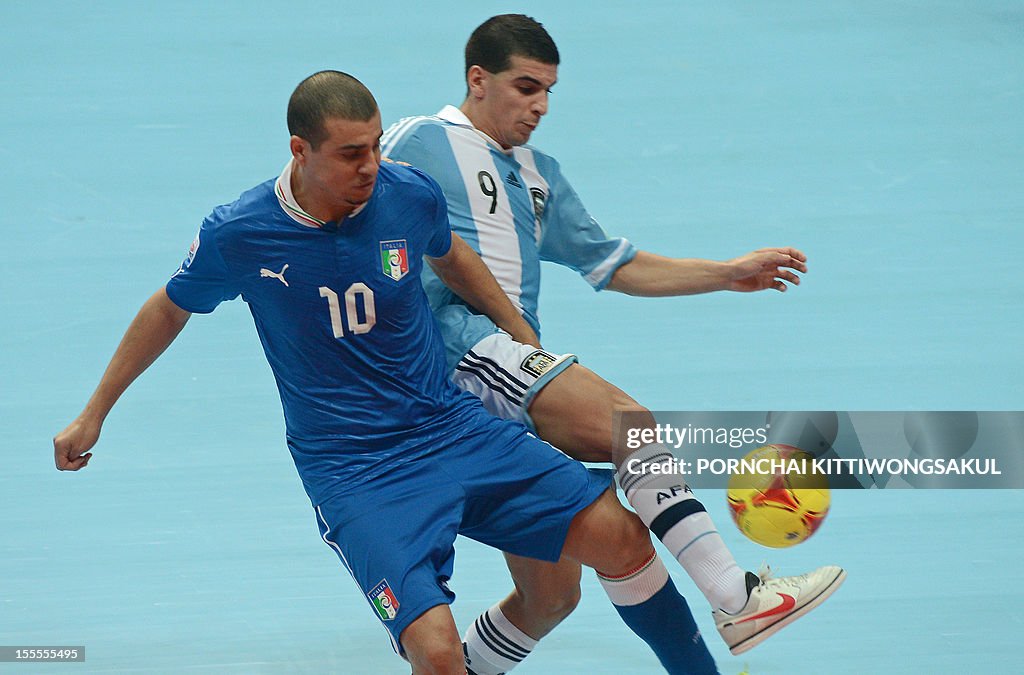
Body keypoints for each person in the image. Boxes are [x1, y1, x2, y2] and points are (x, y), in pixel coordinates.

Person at [53, 70, 733, 674]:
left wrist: (517, 328)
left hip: (448, 426)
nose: (370, 164)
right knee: (436, 653)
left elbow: (451, 254)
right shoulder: (242, 232)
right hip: (356, 472)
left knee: (618, 535)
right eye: (351, 153)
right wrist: (94, 412)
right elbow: (169, 309)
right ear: (300, 151)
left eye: (375, 145)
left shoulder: (405, 192)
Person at [381, 14, 846, 672]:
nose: (540, 104)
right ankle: (737, 598)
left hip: (513, 372)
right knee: (631, 427)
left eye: (549, 90)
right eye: (525, 86)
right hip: (460, 353)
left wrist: (726, 273)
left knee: (555, 592)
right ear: (477, 81)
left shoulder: (540, 174)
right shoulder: (420, 140)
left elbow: (613, 263)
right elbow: (347, 208)